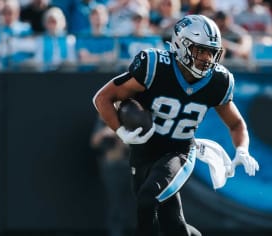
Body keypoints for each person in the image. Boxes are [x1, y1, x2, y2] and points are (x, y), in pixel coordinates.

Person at [92, 14, 259, 236]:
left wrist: (242, 150)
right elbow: (103, 98)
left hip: (178, 151)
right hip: (143, 151)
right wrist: (121, 131)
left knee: (147, 198)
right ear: (181, 45)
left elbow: (236, 123)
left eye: (211, 52)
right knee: (175, 227)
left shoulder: (218, 81)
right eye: (200, 50)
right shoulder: (154, 66)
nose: (207, 58)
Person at [90, 117, 134, 236]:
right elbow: (94, 142)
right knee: (115, 205)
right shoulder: (105, 118)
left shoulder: (137, 115)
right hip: (113, 166)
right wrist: (108, 132)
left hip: (134, 165)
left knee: (138, 204)